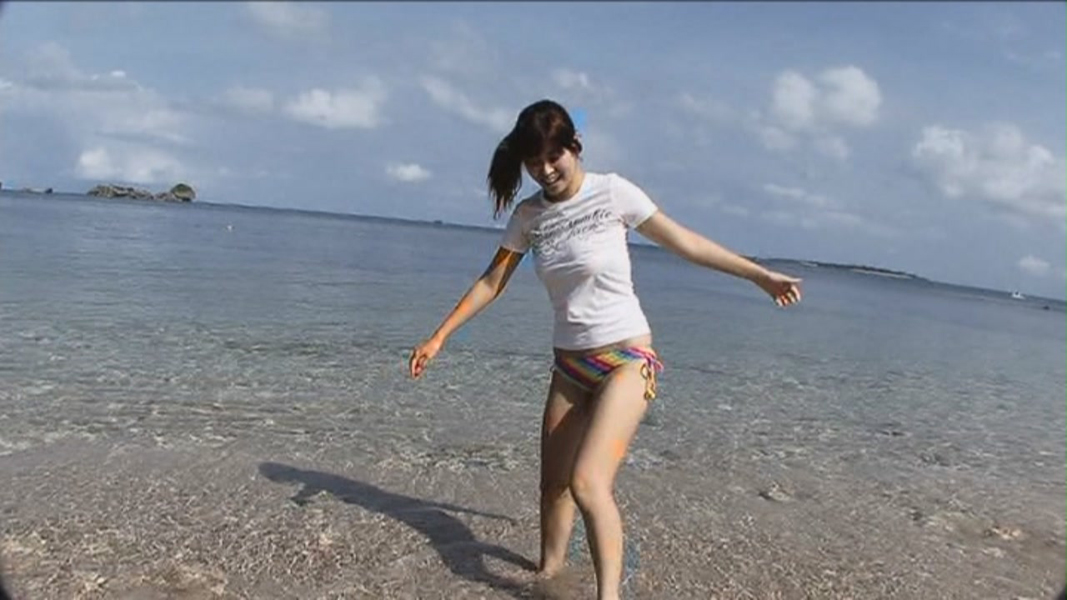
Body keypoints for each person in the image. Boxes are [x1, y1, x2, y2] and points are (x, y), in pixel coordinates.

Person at [409, 99, 802, 600]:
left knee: (587, 483)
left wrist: (760, 276)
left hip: (627, 361)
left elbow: (684, 243)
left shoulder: (613, 192)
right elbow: (492, 281)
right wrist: (439, 336)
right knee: (552, 487)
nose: (545, 170)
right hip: (569, 369)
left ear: (575, 147)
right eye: (534, 162)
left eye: (554, 156)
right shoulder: (529, 216)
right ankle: (548, 580)